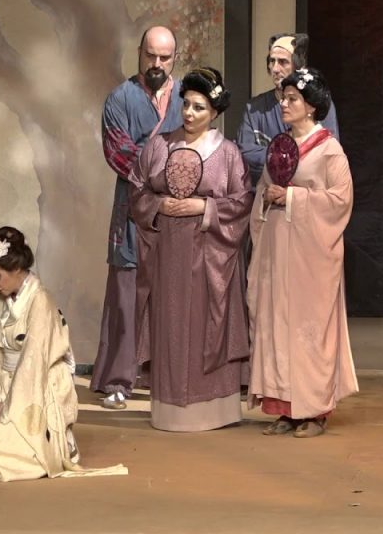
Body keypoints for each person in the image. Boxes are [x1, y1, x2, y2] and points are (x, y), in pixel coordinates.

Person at [129, 68, 254, 431]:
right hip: (167, 253)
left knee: (206, 324)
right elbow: (137, 189)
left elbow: (242, 201)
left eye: (199, 107)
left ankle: (214, 409)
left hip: (209, 252)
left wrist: (204, 207)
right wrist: (159, 205)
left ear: (214, 112)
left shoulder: (228, 153)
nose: (189, 113)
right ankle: (169, 409)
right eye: (186, 104)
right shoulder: (159, 146)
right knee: (170, 323)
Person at [0, 227, 127, 481]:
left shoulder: (40, 301)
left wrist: (9, 405)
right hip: (9, 384)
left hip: (39, 385)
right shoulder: (4, 300)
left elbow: (33, 361)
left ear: (15, 268)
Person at [246, 67, 359, 438]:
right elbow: (265, 190)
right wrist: (268, 198)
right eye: (284, 98)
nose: (284, 104)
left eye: (293, 99)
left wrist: (292, 196)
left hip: (311, 255)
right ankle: (285, 408)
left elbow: (340, 200)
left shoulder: (329, 150)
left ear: (311, 106)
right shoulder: (280, 146)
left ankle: (314, 410)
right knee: (278, 324)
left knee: (309, 330)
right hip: (278, 247)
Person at [91, 26, 185, 410]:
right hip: (134, 206)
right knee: (126, 295)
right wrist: (171, 175)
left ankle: (169, 377)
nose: (157, 63)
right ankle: (119, 379)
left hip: (179, 210)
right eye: (151, 55)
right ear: (140, 52)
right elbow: (120, 154)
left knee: (175, 294)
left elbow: (200, 147)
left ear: (175, 58)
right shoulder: (120, 99)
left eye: (165, 57)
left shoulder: (188, 97)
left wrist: (184, 180)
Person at [237, 33, 340, 186]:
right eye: (272, 61)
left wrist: (276, 156)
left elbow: (327, 154)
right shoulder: (254, 109)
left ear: (299, 66)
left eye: (283, 62)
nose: (275, 68)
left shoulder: (316, 104)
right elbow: (245, 152)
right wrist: (290, 158)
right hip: (266, 192)